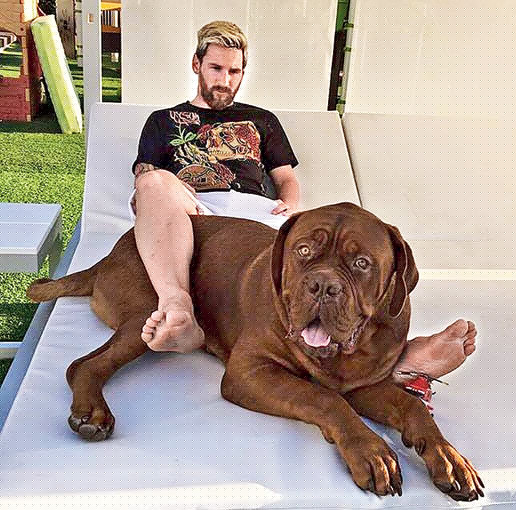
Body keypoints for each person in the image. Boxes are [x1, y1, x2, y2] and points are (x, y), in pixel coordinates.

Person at [131, 21, 477, 392]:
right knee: (153, 183)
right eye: (216, 68)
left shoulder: (262, 121)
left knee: (329, 280)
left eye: (235, 71)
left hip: (256, 215)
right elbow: (145, 179)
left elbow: (286, 178)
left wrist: (289, 207)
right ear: (196, 64)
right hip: (197, 212)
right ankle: (178, 307)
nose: (225, 80)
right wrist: (165, 194)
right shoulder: (162, 121)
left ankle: (396, 359)